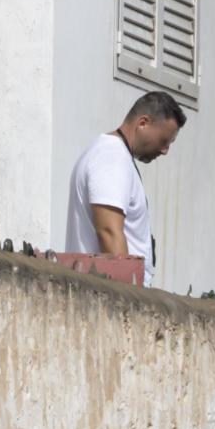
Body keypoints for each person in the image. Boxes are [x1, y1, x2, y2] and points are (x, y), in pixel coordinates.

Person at [65, 92, 186, 287]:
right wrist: (129, 297)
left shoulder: (110, 153)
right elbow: (109, 232)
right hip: (108, 296)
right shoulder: (112, 157)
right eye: (164, 141)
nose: (165, 150)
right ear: (143, 123)